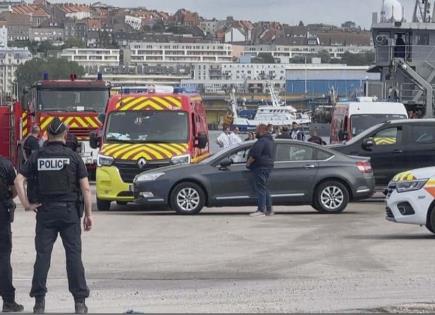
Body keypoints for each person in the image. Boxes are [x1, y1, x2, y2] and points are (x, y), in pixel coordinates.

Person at [14, 118, 93, 314]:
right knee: (74, 257)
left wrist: (26, 204)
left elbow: (18, 179)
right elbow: (85, 188)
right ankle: (79, 303)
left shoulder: (37, 156)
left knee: (42, 257)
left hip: (45, 213)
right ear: (65, 135)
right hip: (69, 213)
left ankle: (39, 302)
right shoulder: (73, 157)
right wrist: (88, 215)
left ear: (46, 135)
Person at [0, 156, 24, 313]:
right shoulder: (5, 164)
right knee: (3, 258)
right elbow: (15, 188)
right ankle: (8, 301)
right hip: (1, 213)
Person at [246, 124, 275, 217]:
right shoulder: (270, 141)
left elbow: (255, 155)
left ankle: (261, 210)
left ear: (262, 131)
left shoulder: (262, 141)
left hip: (260, 167)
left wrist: (248, 163)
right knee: (264, 188)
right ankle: (269, 210)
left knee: (260, 189)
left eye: (256, 130)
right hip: (267, 167)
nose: (255, 132)